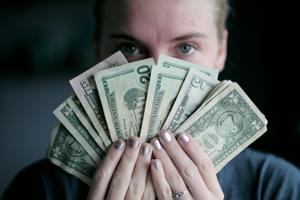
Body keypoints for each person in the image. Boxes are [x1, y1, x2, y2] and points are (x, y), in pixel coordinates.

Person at [3, 0, 300, 199]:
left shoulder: (280, 187)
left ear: (222, 49)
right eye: (129, 47)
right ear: (97, 48)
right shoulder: (39, 189)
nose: (156, 72)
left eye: (185, 47)